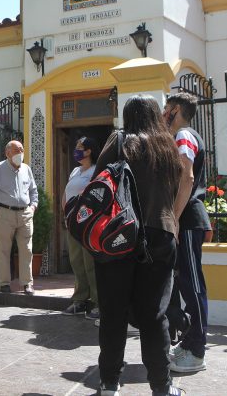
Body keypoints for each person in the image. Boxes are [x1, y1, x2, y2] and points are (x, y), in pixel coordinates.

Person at [92, 95, 184, 396]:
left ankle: (109, 383)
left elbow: (98, 183)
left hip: (120, 235)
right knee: (154, 314)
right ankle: (161, 386)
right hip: (161, 233)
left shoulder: (121, 141)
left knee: (113, 311)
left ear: (128, 115)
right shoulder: (169, 146)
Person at [163, 92, 211, 373]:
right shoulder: (183, 134)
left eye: (167, 108)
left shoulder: (183, 134)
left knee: (193, 287)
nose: (164, 112)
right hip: (186, 219)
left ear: (176, 109)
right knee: (186, 284)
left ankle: (197, 350)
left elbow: (187, 175)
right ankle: (190, 341)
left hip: (188, 220)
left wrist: (176, 218)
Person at [0, 140, 38, 295]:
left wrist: (33, 207)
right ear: (7, 153)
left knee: (27, 249)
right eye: (16, 150)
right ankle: (4, 283)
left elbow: (34, 191)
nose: (20, 153)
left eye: (22, 149)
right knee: (4, 250)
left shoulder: (27, 169)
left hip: (25, 213)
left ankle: (27, 284)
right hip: (4, 214)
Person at [61, 136, 100, 319]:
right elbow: (66, 193)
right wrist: (65, 215)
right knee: (76, 262)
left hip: (88, 225)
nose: (76, 150)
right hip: (72, 223)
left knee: (90, 263)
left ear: (89, 151)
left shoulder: (96, 171)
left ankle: (97, 302)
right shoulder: (75, 171)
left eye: (79, 147)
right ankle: (80, 299)